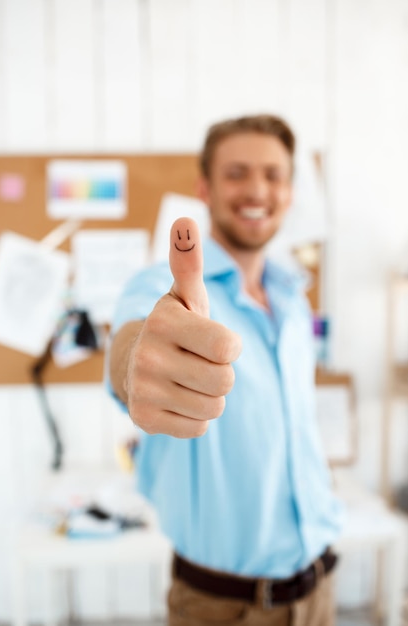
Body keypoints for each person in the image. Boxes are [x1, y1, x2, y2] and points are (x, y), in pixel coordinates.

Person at [108, 114, 343, 626]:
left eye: (273, 175)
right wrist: (134, 367)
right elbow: (133, 343)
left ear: (290, 190)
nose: (257, 188)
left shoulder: (294, 298)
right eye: (237, 173)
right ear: (205, 188)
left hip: (322, 589)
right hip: (221, 608)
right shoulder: (164, 288)